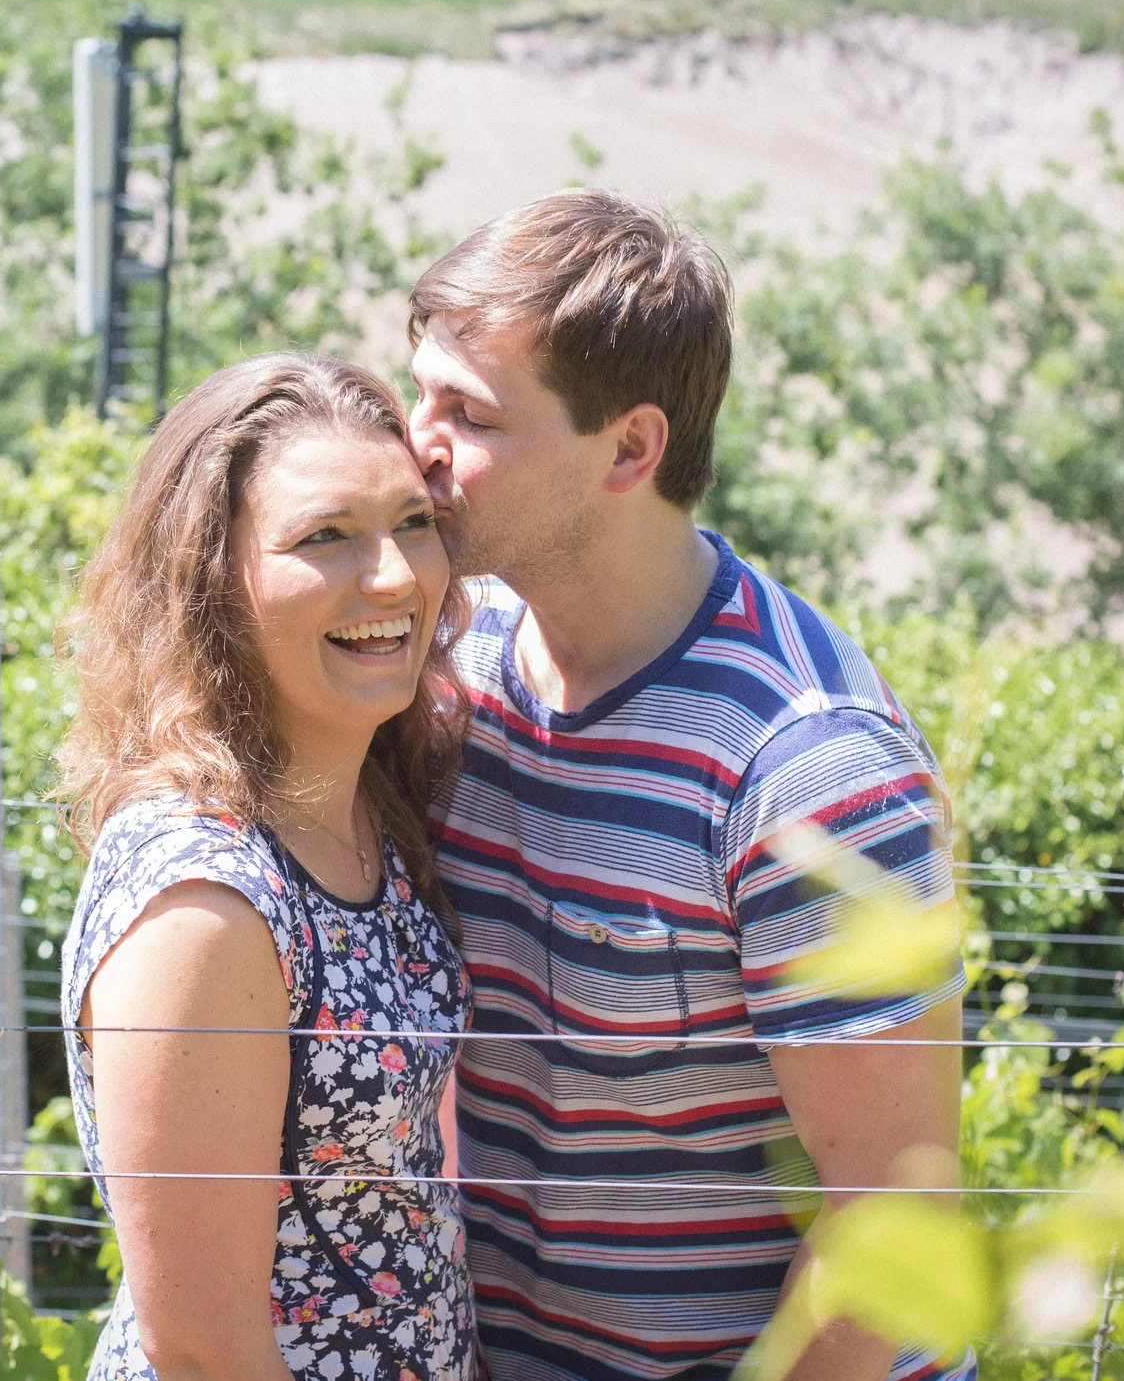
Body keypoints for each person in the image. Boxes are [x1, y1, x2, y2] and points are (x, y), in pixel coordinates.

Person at [405, 190, 971, 1381]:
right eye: (422, 394)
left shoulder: (808, 769)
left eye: (470, 412)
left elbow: (892, 1220)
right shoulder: (456, 667)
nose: (420, 443)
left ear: (630, 448)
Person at [57, 354, 481, 1381]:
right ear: (210, 578)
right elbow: (206, 1351)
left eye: (413, 521)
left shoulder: (371, 806)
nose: (393, 575)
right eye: (324, 536)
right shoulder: (204, 897)